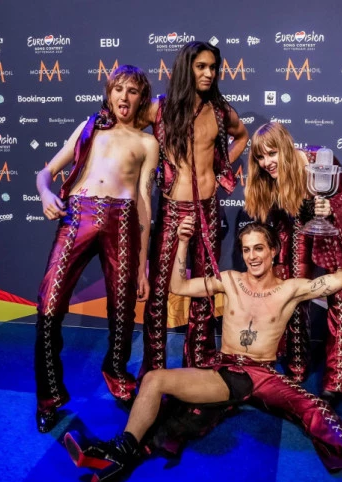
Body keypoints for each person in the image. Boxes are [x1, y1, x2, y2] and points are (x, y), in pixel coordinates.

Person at [63, 217, 342, 482]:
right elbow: (179, 286)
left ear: (273, 251)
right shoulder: (229, 280)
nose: (253, 256)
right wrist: (182, 242)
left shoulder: (290, 288)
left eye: (259, 248)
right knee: (157, 384)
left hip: (262, 374)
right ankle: (120, 453)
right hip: (225, 371)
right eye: (246, 250)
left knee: (314, 407)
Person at [33, 65, 159, 433]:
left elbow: (144, 203)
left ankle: (117, 374)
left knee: (122, 310)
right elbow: (46, 172)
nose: (124, 96)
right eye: (118, 89)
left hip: (123, 221)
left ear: (142, 98)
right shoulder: (90, 128)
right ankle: (48, 397)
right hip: (78, 216)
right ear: (109, 93)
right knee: (49, 305)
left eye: (132, 91)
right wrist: (45, 193)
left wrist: (143, 266)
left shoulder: (148, 143)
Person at [139, 41, 249, 377]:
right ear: (186, 68)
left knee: (204, 289)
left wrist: (221, 169)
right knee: (159, 292)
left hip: (209, 208)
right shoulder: (159, 108)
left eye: (213, 67)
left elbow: (242, 136)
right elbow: (127, 130)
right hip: (172, 209)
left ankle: (199, 365)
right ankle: (153, 370)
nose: (209, 73)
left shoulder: (219, 110)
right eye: (201, 66)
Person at [244, 122, 342, 403]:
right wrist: (281, 256)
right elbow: (277, 214)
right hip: (296, 227)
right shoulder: (267, 176)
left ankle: (338, 379)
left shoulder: (318, 159)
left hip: (333, 227)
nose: (266, 163)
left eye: (272, 154)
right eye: (260, 157)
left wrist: (327, 207)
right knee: (293, 289)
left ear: (286, 148)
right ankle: (296, 365)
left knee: (339, 295)